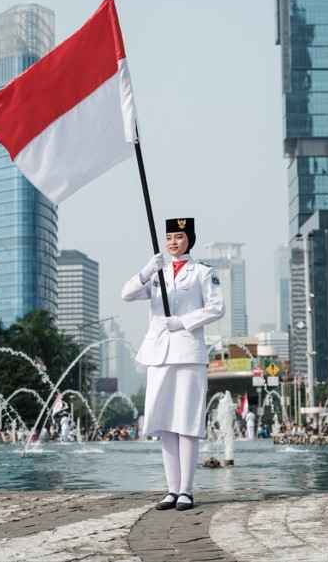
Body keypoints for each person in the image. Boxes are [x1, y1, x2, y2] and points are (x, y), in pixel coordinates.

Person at [122, 217, 225, 511]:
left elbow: (217, 307)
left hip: (188, 352)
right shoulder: (158, 272)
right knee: (164, 423)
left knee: (187, 423)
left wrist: (182, 322)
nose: (172, 243)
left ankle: (186, 491)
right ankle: (171, 490)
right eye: (169, 238)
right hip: (158, 354)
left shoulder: (203, 272)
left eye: (178, 237)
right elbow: (127, 294)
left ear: (189, 239)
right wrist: (145, 271)